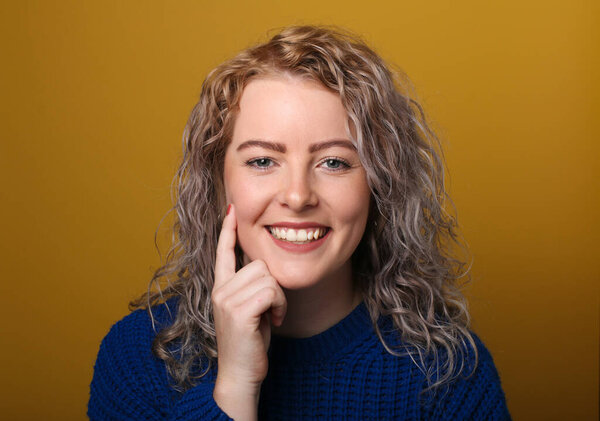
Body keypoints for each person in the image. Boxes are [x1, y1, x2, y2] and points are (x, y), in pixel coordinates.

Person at [88, 25, 511, 420]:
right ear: (219, 184)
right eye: (262, 161)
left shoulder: (449, 376)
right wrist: (234, 386)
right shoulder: (136, 358)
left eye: (333, 162)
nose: (297, 195)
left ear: (380, 184)